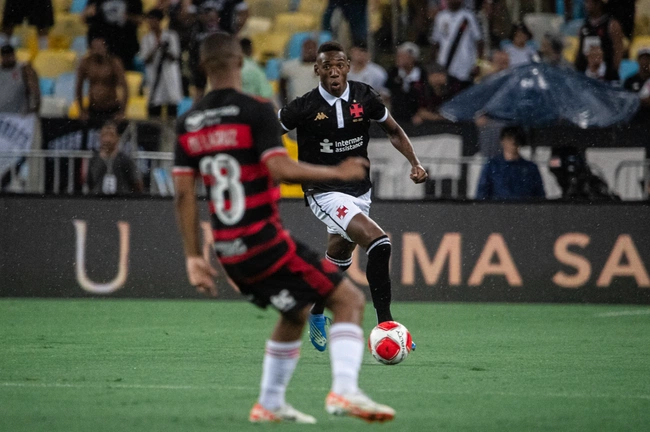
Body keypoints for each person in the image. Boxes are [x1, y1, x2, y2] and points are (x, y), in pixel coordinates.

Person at [173, 32, 396, 424]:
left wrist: (193, 257)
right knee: (348, 301)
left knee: (294, 314)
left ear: (203, 68)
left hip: (228, 249)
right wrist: (336, 170)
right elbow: (278, 168)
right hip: (263, 240)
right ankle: (345, 392)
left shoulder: (189, 121)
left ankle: (270, 402)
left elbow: (183, 196)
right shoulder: (256, 108)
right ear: (240, 63)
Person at [278, 41, 428, 352]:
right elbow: (267, 132)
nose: (334, 71)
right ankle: (386, 323)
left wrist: (414, 162)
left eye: (339, 65)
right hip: (324, 191)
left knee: (338, 259)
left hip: (360, 190)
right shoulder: (303, 106)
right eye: (327, 66)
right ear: (317, 70)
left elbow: (394, 130)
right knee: (379, 242)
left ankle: (316, 310)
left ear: (348, 66)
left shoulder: (365, 96)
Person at [476, 126, 545, 200]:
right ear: (502, 141)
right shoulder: (492, 166)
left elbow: (540, 196)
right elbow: (481, 194)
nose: (513, 142)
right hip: (498, 209)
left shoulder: (530, 168)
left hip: (524, 209)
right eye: (509, 138)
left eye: (516, 138)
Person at [430, 0, 483, 95]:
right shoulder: (440, 16)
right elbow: (435, 42)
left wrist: (478, 63)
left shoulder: (469, 16)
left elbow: (479, 41)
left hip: (465, 65)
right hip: (445, 65)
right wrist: (434, 65)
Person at [140, 8, 184, 118]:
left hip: (169, 77)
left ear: (159, 20)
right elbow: (146, 60)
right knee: (154, 112)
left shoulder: (171, 36)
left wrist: (165, 49)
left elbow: (175, 57)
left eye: (153, 19)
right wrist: (156, 47)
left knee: (171, 112)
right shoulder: (146, 39)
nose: (150, 22)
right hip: (154, 78)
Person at [76, 35, 129, 124]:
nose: (97, 50)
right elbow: (78, 87)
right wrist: (81, 110)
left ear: (106, 47)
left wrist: (122, 112)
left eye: (100, 47)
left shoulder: (114, 63)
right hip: (93, 108)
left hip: (112, 108)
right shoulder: (86, 63)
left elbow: (125, 87)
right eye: (95, 48)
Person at [83, 0, 143, 70]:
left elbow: (140, 20)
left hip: (125, 47)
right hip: (103, 45)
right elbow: (84, 17)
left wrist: (127, 17)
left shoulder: (133, 2)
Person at [87, 120, 143, 195]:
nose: (107, 139)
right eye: (105, 135)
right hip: (98, 201)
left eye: (111, 135)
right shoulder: (94, 159)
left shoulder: (125, 159)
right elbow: (90, 183)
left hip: (121, 201)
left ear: (117, 138)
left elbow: (136, 183)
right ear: (100, 137)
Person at [574, 0, 624, 82]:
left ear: (598, 4)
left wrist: (613, 73)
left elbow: (618, 52)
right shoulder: (584, 26)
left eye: (589, 2)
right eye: (586, 2)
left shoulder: (612, 25)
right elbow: (579, 52)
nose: (586, 5)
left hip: (606, 76)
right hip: (585, 76)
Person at [384, 42, 430, 125]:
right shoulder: (393, 73)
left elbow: (426, 96)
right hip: (396, 115)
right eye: (398, 55)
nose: (398, 58)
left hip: (417, 117)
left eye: (402, 56)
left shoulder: (422, 74)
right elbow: (386, 92)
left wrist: (420, 114)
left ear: (412, 58)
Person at [0, 45, 40, 114]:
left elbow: (35, 91)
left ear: (14, 55)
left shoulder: (24, 69)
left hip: (20, 117)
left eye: (9, 55)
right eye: (5, 56)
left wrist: (35, 110)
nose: (7, 58)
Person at [279, 38, 319, 104]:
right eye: (307, 48)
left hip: (316, 107)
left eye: (312, 48)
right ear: (302, 49)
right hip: (296, 107)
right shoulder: (290, 66)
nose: (309, 51)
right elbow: (282, 86)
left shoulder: (323, 67)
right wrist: (285, 103)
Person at [623, 47, 650, 124]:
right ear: (638, 60)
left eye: (648, 59)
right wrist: (639, 101)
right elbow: (625, 100)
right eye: (643, 58)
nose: (646, 62)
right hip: (635, 121)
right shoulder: (630, 80)